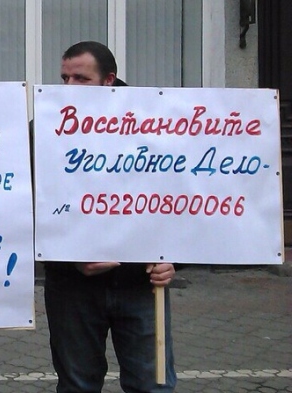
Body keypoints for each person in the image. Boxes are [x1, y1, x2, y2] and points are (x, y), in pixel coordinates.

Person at [44, 40, 176, 393]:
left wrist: (175, 260)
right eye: (64, 78)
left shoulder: (156, 128)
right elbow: (27, 207)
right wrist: (67, 258)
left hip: (141, 283)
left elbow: (184, 198)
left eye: (81, 79)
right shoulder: (43, 130)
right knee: (77, 385)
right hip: (72, 287)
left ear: (108, 80)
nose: (69, 87)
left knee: (152, 384)